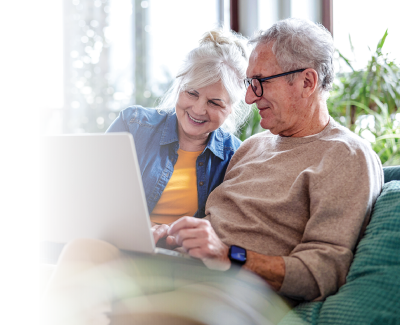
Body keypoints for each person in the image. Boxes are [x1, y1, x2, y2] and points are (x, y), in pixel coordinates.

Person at [39, 19, 383, 324]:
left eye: (260, 83)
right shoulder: (254, 147)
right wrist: (177, 235)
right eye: (249, 83)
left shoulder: (346, 155)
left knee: (93, 305)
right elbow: (213, 223)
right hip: (183, 268)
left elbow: (324, 270)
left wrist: (229, 255)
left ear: (307, 81)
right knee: (85, 250)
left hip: (239, 293)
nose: (249, 98)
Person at [38, 29, 252, 263]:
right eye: (192, 93)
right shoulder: (134, 125)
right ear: (179, 86)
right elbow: (92, 200)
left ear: (231, 107)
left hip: (167, 261)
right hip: (103, 248)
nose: (199, 109)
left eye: (214, 103)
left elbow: (219, 234)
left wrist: (170, 238)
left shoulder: (234, 156)